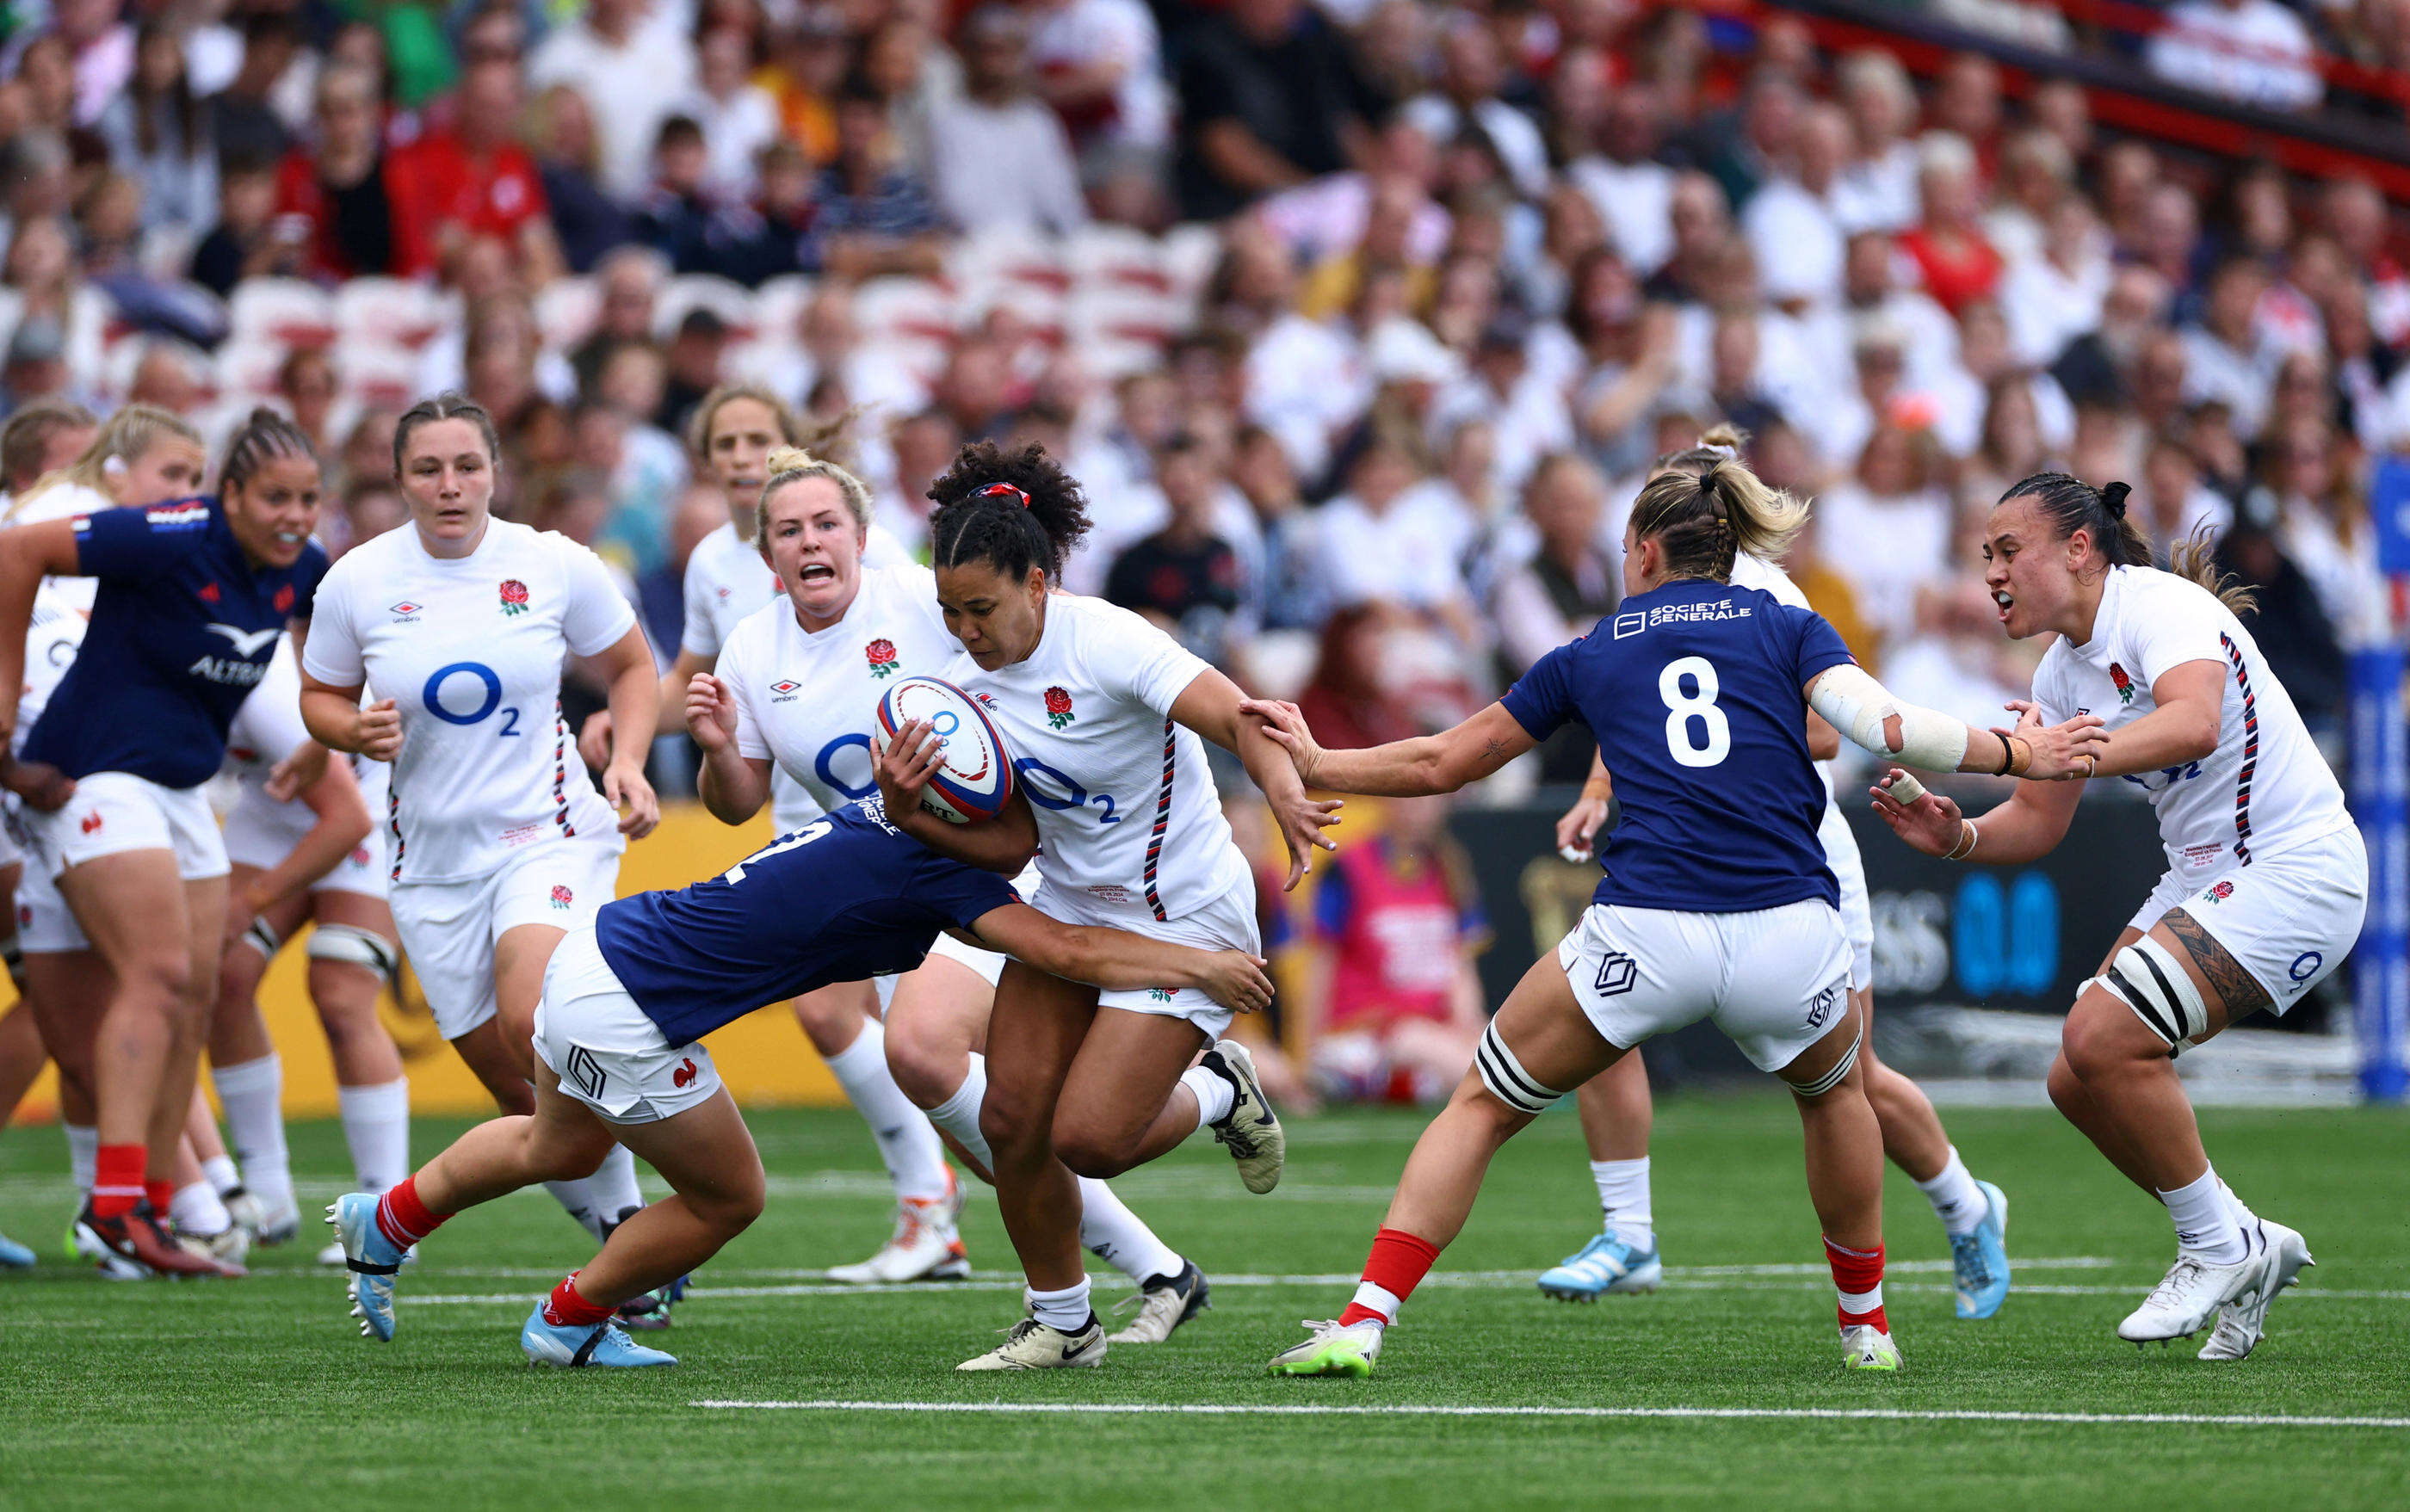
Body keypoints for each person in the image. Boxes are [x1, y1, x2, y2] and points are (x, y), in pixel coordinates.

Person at [1241, 451, 2105, 1379]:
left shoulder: (1597, 645)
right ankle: (1867, 1326)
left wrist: (1319, 762)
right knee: (1838, 1097)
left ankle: (1364, 1319)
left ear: (1644, 550)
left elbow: (1442, 762)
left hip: (1649, 932)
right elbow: (1890, 728)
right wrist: (2023, 750)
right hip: (1788, 933)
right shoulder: (1786, 621)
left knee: (1484, 1102)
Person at [327, 787, 1271, 1367]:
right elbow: (1063, 944)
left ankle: (391, 1216)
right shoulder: (942, 871)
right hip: (628, 1012)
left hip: (596, 955)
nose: (1033, 833)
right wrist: (1197, 965)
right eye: (1023, 813)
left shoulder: (882, 806)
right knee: (728, 1197)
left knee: (556, 1140)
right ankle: (570, 1317)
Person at [685, 444, 1216, 1335]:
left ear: (863, 536)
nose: (809, 541)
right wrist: (712, 744)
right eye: (788, 530)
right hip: (874, 884)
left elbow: (1024, 635)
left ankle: (1069, 1281)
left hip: (987, 864)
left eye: (825, 524)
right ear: (765, 554)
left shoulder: (919, 599)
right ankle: (1155, 1266)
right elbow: (735, 802)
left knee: (948, 1070)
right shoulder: (752, 646)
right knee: (983, 1113)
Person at [1871, 472, 2364, 1361]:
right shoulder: (2060, 671)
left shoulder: (2158, 606)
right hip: (2206, 878)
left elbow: (2193, 723)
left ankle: (2218, 1244)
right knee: (2073, 1075)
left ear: (2078, 548)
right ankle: (2245, 1237)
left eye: (2007, 549)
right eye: (1985, 555)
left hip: (2299, 868)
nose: (1991, 572)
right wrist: (1955, 836)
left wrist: (2058, 753)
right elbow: (2035, 818)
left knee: (2103, 1039)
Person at [1539, 428, 2011, 1320]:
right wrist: (1605, 783)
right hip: (1682, 840)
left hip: (1792, 848)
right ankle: (1628, 1232)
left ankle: (1965, 1203)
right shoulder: (1657, 587)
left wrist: (1697, 766)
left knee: (1851, 1080)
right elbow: (1637, 699)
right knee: (1596, 1013)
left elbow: (1828, 731)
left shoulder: (1765, 595)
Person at [892, 440, 1332, 1371]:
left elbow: (1238, 717)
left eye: (981, 607)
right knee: (1010, 1119)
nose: (966, 628)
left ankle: (1218, 1087)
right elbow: (1010, 843)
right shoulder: (964, 693)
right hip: (1071, 910)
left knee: (1086, 1140)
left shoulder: (1109, 638)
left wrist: (1286, 791)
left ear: (1039, 583)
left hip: (1185, 915)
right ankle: (1062, 1321)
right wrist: (908, 807)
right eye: (949, 611)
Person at [297, 392, 669, 1311]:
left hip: (546, 838)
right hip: (431, 871)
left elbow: (631, 664)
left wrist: (625, 758)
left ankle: (626, 1262)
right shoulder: (357, 580)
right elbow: (319, 696)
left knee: (531, 1019)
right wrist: (352, 726)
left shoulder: (549, 564)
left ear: (496, 472)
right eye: (428, 468)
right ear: (399, 478)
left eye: (467, 465)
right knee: (529, 1098)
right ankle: (622, 1237)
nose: (449, 484)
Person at [575, 387, 949, 1284]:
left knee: (921, 1031)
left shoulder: (866, 551)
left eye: (759, 439)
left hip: (899, 807)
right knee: (836, 1011)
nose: (743, 456)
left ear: (790, 446)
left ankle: (950, 1204)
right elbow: (699, 688)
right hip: (798, 806)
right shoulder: (714, 562)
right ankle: (929, 1202)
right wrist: (625, 727)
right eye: (724, 445)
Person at [0, 407, 326, 1280]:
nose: (293, 515)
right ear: (230, 497)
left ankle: (141, 1206)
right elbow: (15, 552)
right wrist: (2, 714)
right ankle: (116, 1209)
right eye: (273, 498)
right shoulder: (172, 533)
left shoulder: (307, 568)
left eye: (308, 498)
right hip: (90, 775)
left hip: (184, 790)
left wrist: (334, 734)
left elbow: (338, 658)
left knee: (190, 994)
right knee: (162, 975)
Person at [208, 635, 406, 1265]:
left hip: (368, 812)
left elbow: (344, 818)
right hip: (273, 811)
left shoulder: (259, 688)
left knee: (341, 993)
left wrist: (251, 900)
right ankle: (267, 1194)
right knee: (220, 976)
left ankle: (386, 1211)